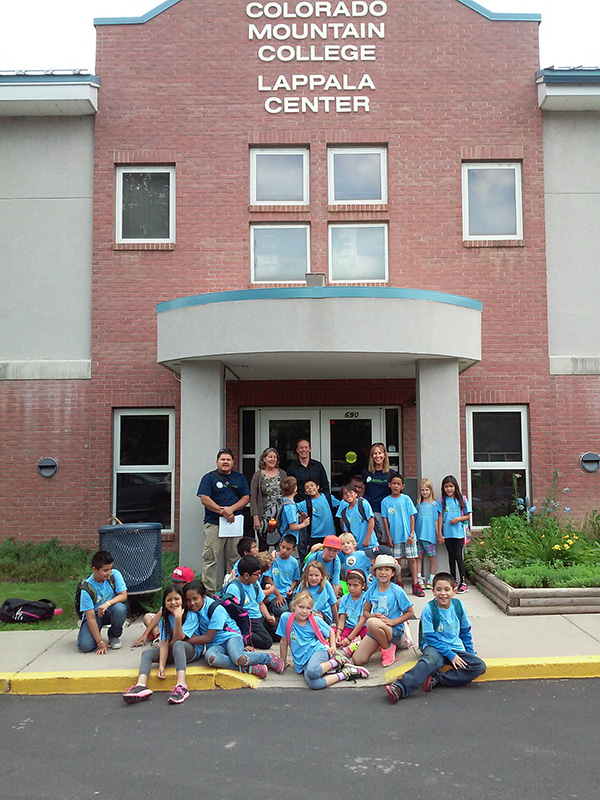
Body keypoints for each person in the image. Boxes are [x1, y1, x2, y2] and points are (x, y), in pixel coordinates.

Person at [385, 572, 486, 703]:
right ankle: (400, 687)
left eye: (447, 589)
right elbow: (430, 637)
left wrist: (470, 653)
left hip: (455, 648)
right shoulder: (429, 609)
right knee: (429, 662)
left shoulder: (459, 606)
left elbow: (465, 632)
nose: (443, 593)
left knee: (479, 666)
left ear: (454, 591)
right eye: (438, 590)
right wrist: (449, 655)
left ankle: (437, 679)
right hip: (434, 647)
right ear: (433, 591)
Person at [183, 580, 284, 678]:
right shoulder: (193, 612)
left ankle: (267, 658)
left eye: (195, 599)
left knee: (237, 657)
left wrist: (186, 641)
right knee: (211, 658)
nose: (192, 603)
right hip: (216, 644)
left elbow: (208, 637)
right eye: (188, 600)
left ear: (203, 597)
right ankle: (248, 668)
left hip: (231, 637)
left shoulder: (215, 609)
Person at [122, 584, 202, 705]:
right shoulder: (165, 617)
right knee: (147, 654)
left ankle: (182, 685)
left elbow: (178, 638)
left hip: (191, 651)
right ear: (164, 602)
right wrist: (161, 666)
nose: (173, 602)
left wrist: (178, 618)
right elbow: (164, 643)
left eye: (177, 599)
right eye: (169, 600)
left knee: (178, 644)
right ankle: (141, 685)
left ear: (182, 600)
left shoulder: (191, 615)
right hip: (173, 650)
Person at [277, 591, 369, 689]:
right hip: (302, 659)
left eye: (308, 608)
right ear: (294, 606)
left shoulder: (314, 620)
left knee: (312, 671)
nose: (304, 611)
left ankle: (336, 661)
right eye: (301, 607)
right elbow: (284, 640)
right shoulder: (285, 618)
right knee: (315, 684)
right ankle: (345, 674)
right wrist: (283, 660)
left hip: (317, 650)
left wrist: (333, 647)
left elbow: (330, 631)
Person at [197, 448, 250, 594]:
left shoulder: (240, 478)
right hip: (214, 523)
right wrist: (223, 512)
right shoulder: (208, 478)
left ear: (233, 462)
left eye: (228, 459)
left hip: (234, 524)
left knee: (234, 558)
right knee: (211, 558)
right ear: (217, 461)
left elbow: (246, 498)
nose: (225, 462)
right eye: (222, 459)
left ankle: (232, 590)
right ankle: (209, 592)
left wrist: (231, 509)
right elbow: (204, 499)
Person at [350, 554, 415, 668]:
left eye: (387, 569)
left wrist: (393, 622)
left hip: (394, 630)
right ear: (375, 573)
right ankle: (383, 643)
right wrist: (372, 615)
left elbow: (410, 612)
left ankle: (387, 648)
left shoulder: (397, 590)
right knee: (357, 659)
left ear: (393, 573)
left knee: (371, 623)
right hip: (376, 628)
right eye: (379, 569)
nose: (383, 572)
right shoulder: (372, 590)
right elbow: (365, 612)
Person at [77, 549, 128, 654]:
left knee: (120, 608)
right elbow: (90, 617)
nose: (109, 573)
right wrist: (99, 641)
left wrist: (107, 604)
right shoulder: (86, 588)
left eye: (110, 569)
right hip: (95, 616)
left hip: (110, 611)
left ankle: (114, 635)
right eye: (105, 570)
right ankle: (93, 635)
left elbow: (123, 595)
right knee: (85, 646)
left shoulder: (115, 575)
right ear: (94, 569)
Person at [381, 474, 424, 597]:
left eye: (398, 484)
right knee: (397, 560)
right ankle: (399, 582)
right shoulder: (385, 501)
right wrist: (388, 536)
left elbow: (412, 516)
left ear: (402, 486)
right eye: (393, 483)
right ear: (389, 485)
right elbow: (385, 520)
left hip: (408, 536)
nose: (395, 486)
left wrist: (411, 532)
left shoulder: (406, 499)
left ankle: (415, 584)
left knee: (412, 559)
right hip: (395, 537)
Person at [133, 565, 195, 647]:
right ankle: (159, 636)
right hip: (169, 625)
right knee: (147, 617)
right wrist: (145, 634)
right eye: (173, 581)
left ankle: (164, 640)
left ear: (187, 583)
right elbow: (160, 613)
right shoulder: (173, 592)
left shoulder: (190, 598)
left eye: (177, 582)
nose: (174, 584)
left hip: (184, 630)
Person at [224, 555, 276, 649]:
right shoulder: (234, 588)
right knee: (267, 642)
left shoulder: (255, 584)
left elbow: (260, 603)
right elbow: (234, 613)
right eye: (257, 574)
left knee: (279, 631)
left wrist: (268, 616)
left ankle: (261, 633)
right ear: (246, 575)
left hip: (259, 616)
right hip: (249, 620)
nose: (259, 576)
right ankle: (245, 636)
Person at [438, 475, 472, 593]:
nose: (449, 489)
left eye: (451, 486)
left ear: (455, 487)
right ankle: (453, 580)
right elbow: (440, 517)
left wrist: (457, 519)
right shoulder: (442, 501)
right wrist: (439, 533)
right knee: (451, 556)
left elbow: (468, 515)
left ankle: (464, 582)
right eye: (446, 487)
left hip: (458, 534)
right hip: (447, 534)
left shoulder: (462, 499)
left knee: (458, 556)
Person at [250, 447, 286, 551]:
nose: (272, 459)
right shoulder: (258, 475)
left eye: (275, 457)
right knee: (263, 547)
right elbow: (253, 498)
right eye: (270, 457)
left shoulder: (282, 474)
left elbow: (288, 493)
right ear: (264, 459)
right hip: (264, 517)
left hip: (280, 516)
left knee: (281, 546)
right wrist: (255, 518)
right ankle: (263, 567)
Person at [361, 443, 398, 542]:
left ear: (385, 455)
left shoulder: (391, 473)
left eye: (380, 453)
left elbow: (395, 494)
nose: (378, 456)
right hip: (368, 511)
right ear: (371, 456)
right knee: (369, 540)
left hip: (383, 512)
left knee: (383, 540)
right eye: (375, 454)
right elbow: (361, 491)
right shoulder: (366, 472)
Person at [296, 479, 340, 549]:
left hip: (330, 534)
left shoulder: (328, 497)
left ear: (317, 487)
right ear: (305, 492)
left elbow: (342, 505)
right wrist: (299, 515)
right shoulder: (306, 503)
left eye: (312, 485)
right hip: (315, 536)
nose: (310, 488)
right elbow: (293, 507)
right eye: (307, 487)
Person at [265, 534, 301, 620]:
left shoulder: (294, 562)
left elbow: (295, 579)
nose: (284, 550)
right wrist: (277, 594)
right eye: (283, 547)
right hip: (275, 593)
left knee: (298, 607)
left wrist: (291, 589)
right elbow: (267, 578)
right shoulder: (274, 559)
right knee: (283, 610)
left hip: (289, 593)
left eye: (288, 549)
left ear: (293, 550)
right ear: (280, 545)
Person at [337, 483, 377, 550]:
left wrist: (367, 539)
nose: (348, 494)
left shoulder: (362, 503)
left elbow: (371, 521)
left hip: (371, 544)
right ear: (343, 498)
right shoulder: (344, 512)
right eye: (345, 493)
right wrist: (351, 546)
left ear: (356, 494)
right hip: (356, 547)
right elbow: (347, 532)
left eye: (351, 492)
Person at [278, 476, 311, 556]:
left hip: (284, 536)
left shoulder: (283, 501)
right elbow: (292, 526)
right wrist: (304, 524)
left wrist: (298, 517)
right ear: (295, 489)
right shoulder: (290, 506)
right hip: (288, 539)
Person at [336, 568, 368, 650]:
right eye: (349, 585)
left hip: (362, 628)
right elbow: (342, 619)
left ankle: (354, 643)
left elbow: (362, 621)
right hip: (349, 627)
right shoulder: (344, 599)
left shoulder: (365, 599)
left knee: (370, 636)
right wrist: (338, 634)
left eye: (355, 585)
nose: (351, 588)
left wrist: (349, 638)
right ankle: (354, 643)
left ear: (363, 586)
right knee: (335, 636)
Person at [415, 478, 439, 590]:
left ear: (430, 490)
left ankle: (431, 578)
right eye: (422, 490)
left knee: (432, 558)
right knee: (419, 557)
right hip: (419, 535)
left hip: (429, 536)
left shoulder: (434, 505)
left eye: (427, 490)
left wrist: (438, 534)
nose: (424, 492)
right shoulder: (419, 505)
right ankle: (419, 578)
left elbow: (436, 520)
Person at [299, 560, 338, 625]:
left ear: (322, 576)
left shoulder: (326, 585)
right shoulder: (303, 586)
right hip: (306, 613)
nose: (313, 578)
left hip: (323, 615)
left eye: (316, 575)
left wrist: (338, 624)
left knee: (315, 619)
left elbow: (333, 604)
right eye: (310, 575)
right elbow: (297, 603)